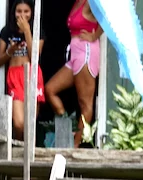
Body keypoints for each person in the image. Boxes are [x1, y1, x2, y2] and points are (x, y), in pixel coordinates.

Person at [44, 0, 103, 147]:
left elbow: (107, 17)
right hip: (75, 54)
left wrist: (94, 35)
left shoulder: (90, 2)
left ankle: (75, 146)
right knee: (50, 89)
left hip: (86, 53)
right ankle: (67, 128)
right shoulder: (78, 2)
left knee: (85, 104)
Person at [0, 0, 44, 142]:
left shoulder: (38, 31)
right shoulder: (7, 31)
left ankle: (26, 150)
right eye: (19, 11)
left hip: (32, 74)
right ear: (14, 12)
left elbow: (35, 57)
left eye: (26, 11)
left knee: (30, 122)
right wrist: (10, 51)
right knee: (18, 123)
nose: (22, 15)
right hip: (15, 76)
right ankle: (18, 145)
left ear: (32, 13)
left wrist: (28, 31)